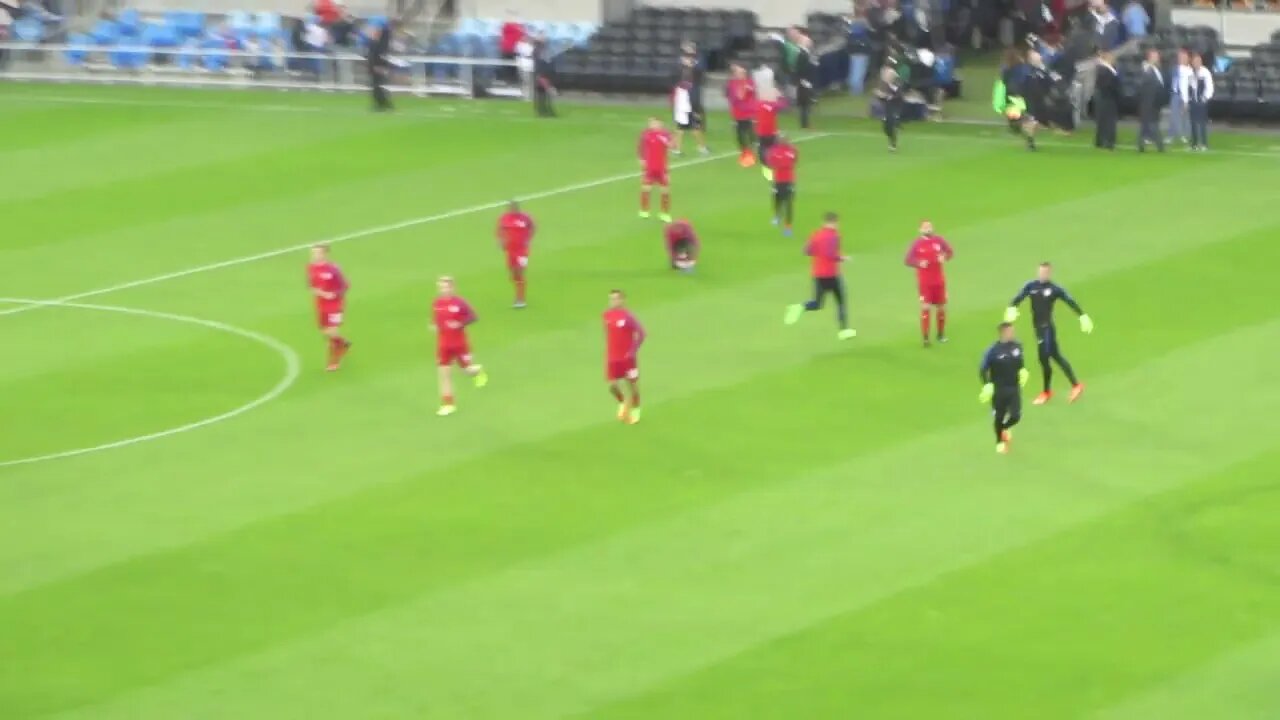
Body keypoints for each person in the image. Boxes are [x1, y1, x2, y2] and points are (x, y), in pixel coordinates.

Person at [1004, 262, 1092, 405]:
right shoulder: (1031, 286)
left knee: (1045, 358)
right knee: (1055, 356)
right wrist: (1012, 308)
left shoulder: (1054, 289)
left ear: (1049, 273)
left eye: (1045, 273)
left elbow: (1069, 300)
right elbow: (1018, 297)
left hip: (1047, 329)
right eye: (1040, 272)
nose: (1042, 275)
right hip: (1038, 329)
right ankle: (1075, 385)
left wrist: (1082, 316)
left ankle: (1048, 391)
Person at [784, 212, 857, 340]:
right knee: (841, 301)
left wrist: (820, 253)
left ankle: (800, 307)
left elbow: (806, 251)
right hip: (831, 274)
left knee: (817, 303)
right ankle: (843, 330)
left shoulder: (816, 235)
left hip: (818, 274)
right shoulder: (835, 236)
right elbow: (831, 254)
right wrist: (843, 258)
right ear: (834, 222)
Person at [432, 276, 488, 416]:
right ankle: (448, 405)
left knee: (466, 371)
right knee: (444, 375)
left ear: (452, 288)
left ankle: (478, 371)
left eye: (445, 287)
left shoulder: (460, 303)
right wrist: (435, 326)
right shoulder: (436, 303)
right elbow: (437, 321)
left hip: (459, 344)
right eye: (441, 287)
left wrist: (460, 324)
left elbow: (473, 316)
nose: (443, 290)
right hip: (443, 345)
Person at [978, 322, 1030, 454]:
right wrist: (987, 384)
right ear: (1003, 333)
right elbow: (983, 369)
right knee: (999, 417)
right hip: (999, 389)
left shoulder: (1017, 346)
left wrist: (1023, 371)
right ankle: (999, 441)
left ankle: (1004, 429)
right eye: (1010, 331)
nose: (1013, 333)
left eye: (1013, 331)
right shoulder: (993, 350)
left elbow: (1020, 362)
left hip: (1013, 387)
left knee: (1016, 415)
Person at [904, 221, 954, 346]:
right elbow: (908, 260)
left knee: (941, 307)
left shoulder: (939, 240)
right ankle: (926, 338)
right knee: (925, 307)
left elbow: (950, 252)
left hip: (939, 281)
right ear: (920, 230)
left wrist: (945, 257)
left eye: (929, 227)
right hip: (925, 282)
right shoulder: (917, 244)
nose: (928, 229)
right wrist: (918, 263)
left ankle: (941, 334)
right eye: (925, 227)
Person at [307, 243, 352, 371]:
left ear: (324, 254)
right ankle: (343, 344)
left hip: (335, 305)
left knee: (332, 332)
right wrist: (318, 292)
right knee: (326, 332)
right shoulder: (310, 267)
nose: (314, 255)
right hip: (321, 304)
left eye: (317, 253)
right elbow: (311, 285)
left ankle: (334, 362)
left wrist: (333, 294)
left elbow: (345, 286)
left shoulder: (333, 269)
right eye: (313, 253)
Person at [603, 289, 645, 424]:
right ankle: (622, 403)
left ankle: (635, 410)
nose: (613, 301)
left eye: (616, 299)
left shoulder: (628, 316)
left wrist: (632, 351)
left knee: (632, 385)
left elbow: (641, 333)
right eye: (611, 299)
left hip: (627, 359)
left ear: (622, 300)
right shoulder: (606, 316)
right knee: (612, 386)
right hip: (613, 358)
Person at [496, 200, 534, 308]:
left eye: (514, 207)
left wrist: (529, 239)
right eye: (510, 207)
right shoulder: (505, 218)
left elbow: (532, 227)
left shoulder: (525, 218)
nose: (512, 209)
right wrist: (500, 241)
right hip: (510, 251)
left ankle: (520, 299)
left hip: (522, 251)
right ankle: (519, 290)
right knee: (513, 274)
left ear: (517, 208)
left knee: (519, 273)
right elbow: (500, 229)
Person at [637, 117, 673, 222]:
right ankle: (644, 211)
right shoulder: (645, 135)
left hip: (662, 168)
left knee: (665, 191)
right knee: (646, 189)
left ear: (660, 124)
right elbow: (640, 147)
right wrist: (641, 159)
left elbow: (672, 146)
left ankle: (664, 213)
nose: (652, 125)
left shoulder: (665, 135)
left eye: (654, 123)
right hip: (649, 168)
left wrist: (669, 141)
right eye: (651, 123)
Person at [766, 134, 798, 236]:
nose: (784, 141)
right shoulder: (774, 151)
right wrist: (781, 164)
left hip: (788, 180)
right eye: (782, 139)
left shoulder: (792, 150)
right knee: (776, 199)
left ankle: (788, 227)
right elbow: (770, 162)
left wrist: (780, 164)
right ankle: (777, 216)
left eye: (785, 139)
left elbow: (792, 162)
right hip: (778, 180)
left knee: (788, 203)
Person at [726, 64, 758, 167]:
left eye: (743, 72)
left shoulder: (750, 82)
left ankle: (751, 151)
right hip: (739, 112)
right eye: (740, 72)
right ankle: (745, 154)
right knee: (741, 134)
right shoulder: (732, 84)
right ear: (735, 74)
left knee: (751, 132)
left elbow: (753, 94)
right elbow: (735, 98)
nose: (742, 74)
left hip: (749, 111)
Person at [671, 72, 708, 156]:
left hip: (680, 112)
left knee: (680, 130)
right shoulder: (690, 87)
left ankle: (677, 150)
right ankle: (702, 148)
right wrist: (696, 111)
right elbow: (693, 100)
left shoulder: (678, 87)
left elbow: (674, 99)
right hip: (688, 111)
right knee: (695, 129)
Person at [1137, 48, 1166, 153]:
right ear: (1149, 58)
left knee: (1147, 124)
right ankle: (1160, 146)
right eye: (1155, 57)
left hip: (1155, 101)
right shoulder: (1147, 70)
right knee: (1152, 124)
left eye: (1157, 56)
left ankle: (1141, 144)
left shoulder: (1157, 69)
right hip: (1148, 102)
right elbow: (1143, 86)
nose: (1157, 58)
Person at [875, 62, 905, 152]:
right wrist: (879, 95)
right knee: (886, 127)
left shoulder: (897, 83)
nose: (886, 77)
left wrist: (887, 96)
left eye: (888, 75)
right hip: (888, 106)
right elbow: (880, 96)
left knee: (891, 121)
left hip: (897, 105)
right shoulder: (883, 84)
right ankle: (894, 131)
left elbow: (899, 95)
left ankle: (893, 143)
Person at [1093, 50, 1119, 150]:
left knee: (1103, 120)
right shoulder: (1104, 70)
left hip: (1105, 98)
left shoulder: (1106, 69)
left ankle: (1100, 141)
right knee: (1108, 121)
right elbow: (1107, 85)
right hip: (1107, 98)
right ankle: (1108, 142)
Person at [1187, 52, 1213, 151]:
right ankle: (1194, 143)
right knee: (1193, 122)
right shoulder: (1190, 72)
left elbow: (1209, 87)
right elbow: (1189, 86)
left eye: (1198, 61)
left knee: (1202, 123)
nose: (1196, 63)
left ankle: (1204, 143)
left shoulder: (1205, 72)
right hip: (1193, 100)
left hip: (1202, 100)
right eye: (1194, 61)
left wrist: (1205, 98)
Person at [755, 87, 781, 181]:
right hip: (770, 131)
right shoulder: (772, 105)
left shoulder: (758, 104)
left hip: (762, 131)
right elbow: (783, 106)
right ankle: (771, 165)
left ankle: (766, 166)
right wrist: (779, 96)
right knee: (771, 147)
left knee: (763, 148)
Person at [366, 21, 392, 111]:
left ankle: (383, 104)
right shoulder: (375, 42)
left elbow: (379, 56)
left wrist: (379, 66)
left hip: (377, 67)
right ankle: (382, 104)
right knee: (376, 86)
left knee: (377, 86)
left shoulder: (380, 44)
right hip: (374, 66)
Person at [1168, 49, 1191, 145]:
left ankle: (1185, 135)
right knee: (1174, 115)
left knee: (1185, 116)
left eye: (1183, 57)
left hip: (1185, 95)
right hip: (1175, 94)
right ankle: (1171, 135)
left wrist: (1186, 99)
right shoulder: (1174, 69)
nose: (1181, 59)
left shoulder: (1190, 71)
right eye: (1180, 57)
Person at [795, 35, 817, 129]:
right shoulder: (802, 54)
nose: (810, 42)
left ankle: (806, 123)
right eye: (808, 41)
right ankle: (805, 124)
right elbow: (800, 68)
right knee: (805, 103)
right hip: (804, 82)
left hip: (807, 81)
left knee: (806, 104)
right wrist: (803, 80)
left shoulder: (806, 53)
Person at [532, 38, 556, 118]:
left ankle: (543, 110)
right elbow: (542, 65)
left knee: (542, 94)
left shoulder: (538, 52)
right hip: (543, 75)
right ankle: (545, 110)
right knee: (544, 94)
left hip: (543, 75)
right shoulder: (539, 53)